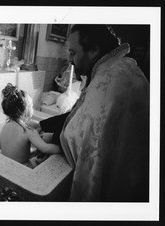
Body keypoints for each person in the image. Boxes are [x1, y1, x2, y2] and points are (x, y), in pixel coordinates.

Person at [35, 24, 149, 202]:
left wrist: (50, 137)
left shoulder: (111, 79)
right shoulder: (117, 68)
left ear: (94, 50)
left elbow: (84, 135)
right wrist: (41, 125)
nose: (70, 59)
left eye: (73, 53)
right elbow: (81, 113)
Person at [0, 83, 60, 168]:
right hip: (22, 170)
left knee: (34, 157)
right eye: (31, 106)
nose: (32, 109)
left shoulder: (5, 127)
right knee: (41, 159)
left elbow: (0, 146)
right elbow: (46, 148)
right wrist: (62, 148)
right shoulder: (28, 131)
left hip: (5, 167)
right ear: (26, 110)